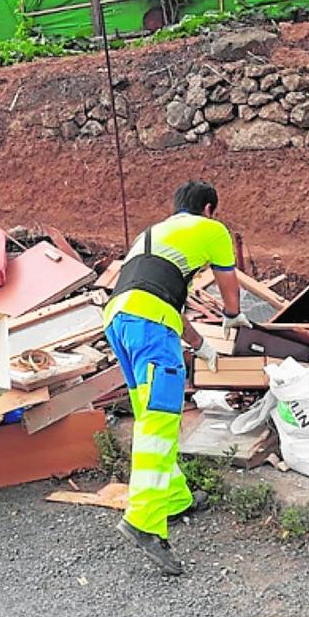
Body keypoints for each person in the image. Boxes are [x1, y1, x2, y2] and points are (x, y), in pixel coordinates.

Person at [103, 180, 253, 574]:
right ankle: (144, 521)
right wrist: (233, 316)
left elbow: (157, 296)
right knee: (160, 424)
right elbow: (229, 285)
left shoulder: (151, 235)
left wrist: (201, 344)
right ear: (208, 209)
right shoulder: (211, 230)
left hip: (120, 321)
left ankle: (173, 497)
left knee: (148, 415)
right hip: (152, 329)